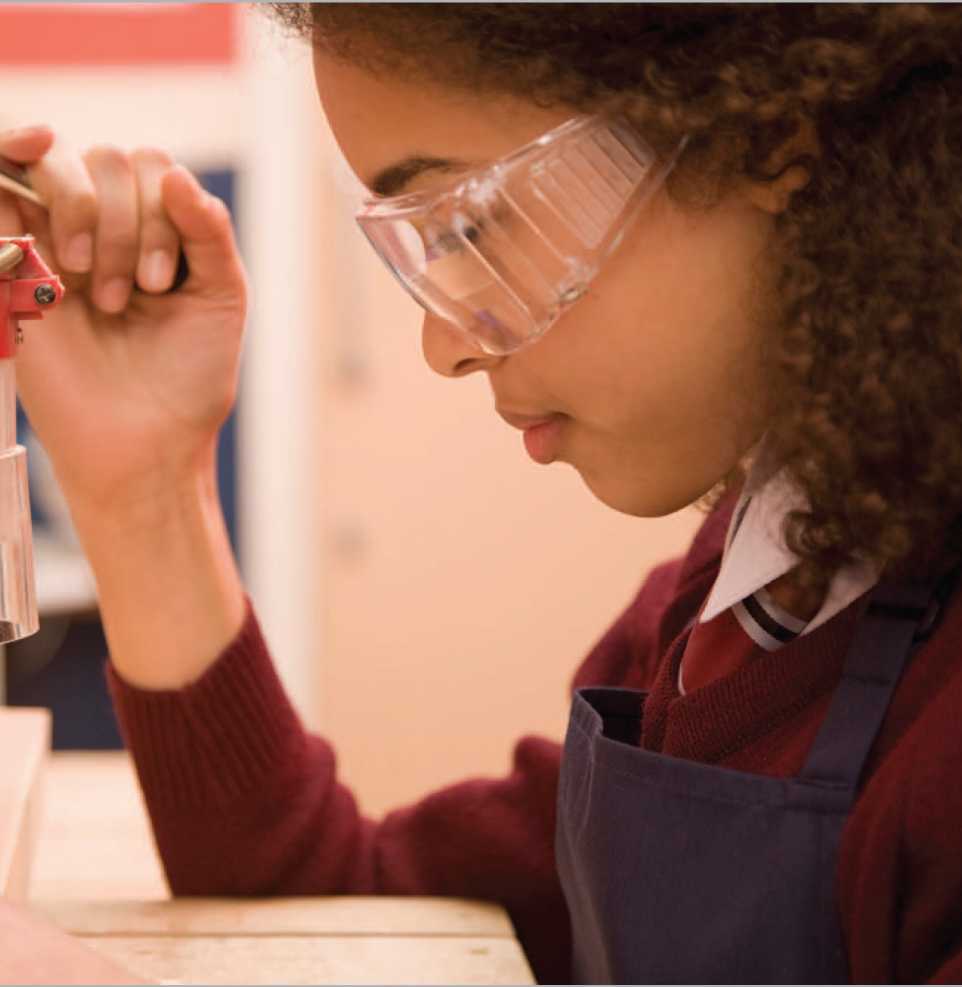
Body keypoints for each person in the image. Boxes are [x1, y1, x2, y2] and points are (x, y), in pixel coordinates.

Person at [1, 3, 961, 982]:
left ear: (764, 132)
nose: (446, 344)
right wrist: (145, 489)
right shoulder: (738, 598)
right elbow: (349, 898)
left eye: (472, 221)